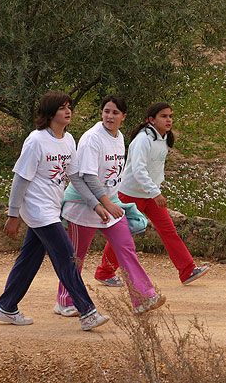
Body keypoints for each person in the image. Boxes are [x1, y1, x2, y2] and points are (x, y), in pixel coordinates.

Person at [0, 92, 109, 331]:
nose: (68, 112)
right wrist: (13, 215)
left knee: (29, 260)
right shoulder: (36, 141)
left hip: (51, 209)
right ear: (50, 113)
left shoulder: (68, 140)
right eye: (62, 108)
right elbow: (20, 179)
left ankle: (6, 306)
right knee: (67, 258)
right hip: (38, 211)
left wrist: (96, 204)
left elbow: (76, 178)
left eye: (69, 107)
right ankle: (87, 312)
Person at [54, 94, 166, 316]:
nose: (110, 116)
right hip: (82, 204)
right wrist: (104, 203)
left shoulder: (118, 136)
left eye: (115, 112)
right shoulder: (91, 138)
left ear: (123, 116)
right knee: (76, 256)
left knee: (126, 248)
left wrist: (111, 203)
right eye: (106, 111)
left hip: (110, 204)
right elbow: (87, 176)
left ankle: (143, 297)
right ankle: (65, 302)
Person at [95, 102, 210, 286]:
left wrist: (154, 190)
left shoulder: (163, 138)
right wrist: (155, 192)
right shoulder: (143, 139)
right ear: (151, 119)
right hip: (131, 194)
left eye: (170, 116)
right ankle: (105, 272)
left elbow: (155, 168)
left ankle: (187, 270)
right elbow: (139, 170)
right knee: (124, 234)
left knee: (168, 230)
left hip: (150, 194)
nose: (169, 120)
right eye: (163, 116)